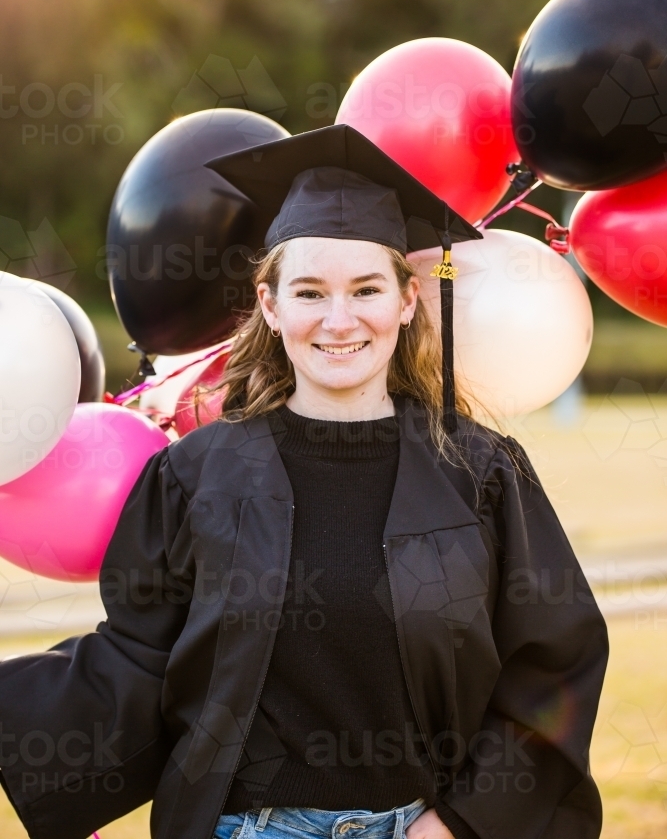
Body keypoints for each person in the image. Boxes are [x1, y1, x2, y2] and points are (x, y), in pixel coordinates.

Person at [0, 126, 608, 839]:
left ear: (408, 300)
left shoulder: (479, 475)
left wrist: (460, 823)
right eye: (310, 291)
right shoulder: (196, 478)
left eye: (366, 289)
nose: (338, 319)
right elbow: (139, 663)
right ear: (269, 304)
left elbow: (551, 667)